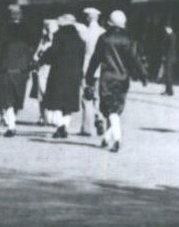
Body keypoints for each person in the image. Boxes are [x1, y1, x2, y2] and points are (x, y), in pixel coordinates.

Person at [88, 9, 143, 151]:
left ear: (109, 23)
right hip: (123, 78)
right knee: (116, 109)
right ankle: (107, 138)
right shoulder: (129, 39)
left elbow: (95, 59)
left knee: (109, 110)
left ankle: (117, 139)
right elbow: (134, 59)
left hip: (107, 78)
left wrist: (89, 76)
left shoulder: (103, 38)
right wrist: (142, 75)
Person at [41, 12, 88, 140]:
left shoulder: (59, 35)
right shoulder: (79, 39)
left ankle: (60, 125)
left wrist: (43, 59)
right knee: (69, 103)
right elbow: (82, 58)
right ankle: (64, 125)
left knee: (56, 101)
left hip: (59, 72)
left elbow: (53, 52)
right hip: (74, 74)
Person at [0, 15, 34, 135]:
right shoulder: (26, 47)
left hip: (6, 73)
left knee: (6, 101)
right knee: (16, 100)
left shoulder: (5, 45)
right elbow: (30, 62)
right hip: (21, 75)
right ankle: (12, 122)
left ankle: (11, 125)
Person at [160, 23, 179, 95]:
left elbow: (169, 48)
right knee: (168, 74)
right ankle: (168, 90)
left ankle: (169, 90)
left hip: (169, 58)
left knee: (168, 74)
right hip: (171, 57)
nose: (165, 30)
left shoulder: (171, 36)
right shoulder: (172, 36)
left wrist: (165, 56)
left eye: (166, 29)